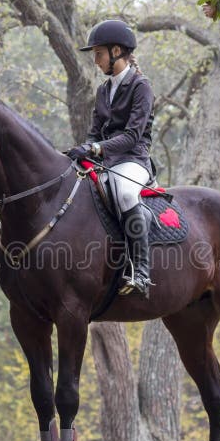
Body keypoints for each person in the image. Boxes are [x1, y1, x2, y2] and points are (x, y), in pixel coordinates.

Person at [65, 19, 155, 297]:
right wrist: (82, 149)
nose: (95, 61)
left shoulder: (141, 87)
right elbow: (94, 132)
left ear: (117, 51)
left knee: (125, 193)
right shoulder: (104, 90)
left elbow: (131, 136)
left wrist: (95, 150)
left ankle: (141, 270)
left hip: (133, 160)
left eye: (99, 54)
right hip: (106, 161)